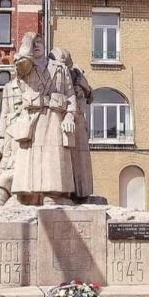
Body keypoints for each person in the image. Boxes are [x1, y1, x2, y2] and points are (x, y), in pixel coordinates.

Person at [1, 32, 77, 206]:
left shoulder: (60, 68)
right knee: (30, 162)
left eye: (39, 41)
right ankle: (30, 196)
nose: (36, 45)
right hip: (32, 119)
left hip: (55, 118)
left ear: (45, 45)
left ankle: (54, 195)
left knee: (54, 157)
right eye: (32, 43)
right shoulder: (25, 67)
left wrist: (70, 115)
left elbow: (70, 95)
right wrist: (28, 39)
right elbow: (20, 63)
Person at [50, 47, 94, 200]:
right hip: (61, 121)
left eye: (64, 64)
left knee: (79, 159)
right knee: (64, 158)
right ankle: (66, 193)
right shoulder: (56, 76)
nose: (61, 68)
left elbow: (88, 96)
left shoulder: (77, 77)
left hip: (77, 121)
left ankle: (81, 194)